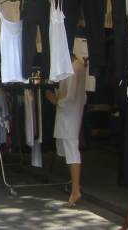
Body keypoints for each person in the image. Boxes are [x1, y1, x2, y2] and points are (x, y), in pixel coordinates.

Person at [45, 55, 87, 207]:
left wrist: (55, 100)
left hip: (70, 112)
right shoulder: (75, 66)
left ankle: (76, 189)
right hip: (68, 112)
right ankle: (75, 185)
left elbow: (70, 96)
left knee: (71, 148)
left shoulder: (74, 68)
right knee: (66, 148)